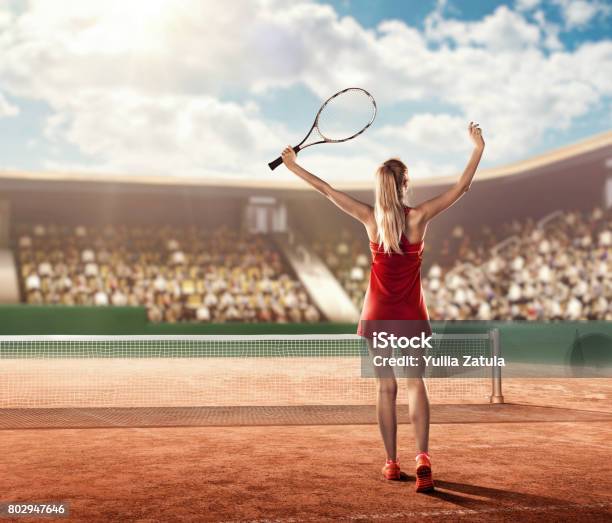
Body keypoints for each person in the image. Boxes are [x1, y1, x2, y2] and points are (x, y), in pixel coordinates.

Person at [280, 122, 485, 492]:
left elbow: (327, 191)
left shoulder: (370, 219)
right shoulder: (418, 218)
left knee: (384, 389)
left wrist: (293, 166)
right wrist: (477, 147)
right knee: (414, 384)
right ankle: (423, 457)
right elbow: (461, 187)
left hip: (376, 314)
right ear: (405, 185)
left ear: (379, 188)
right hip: (409, 315)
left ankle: (391, 463)